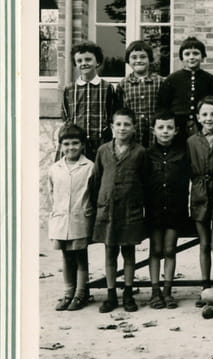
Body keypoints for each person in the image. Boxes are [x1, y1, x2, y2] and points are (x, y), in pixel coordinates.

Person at [92, 108, 146, 313]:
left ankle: (128, 293)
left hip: (130, 210)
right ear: (112, 127)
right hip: (108, 210)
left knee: (128, 252)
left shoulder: (140, 152)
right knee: (110, 252)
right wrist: (98, 205)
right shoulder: (103, 151)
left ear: (134, 128)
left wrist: (140, 206)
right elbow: (96, 180)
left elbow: (145, 181)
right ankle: (111, 294)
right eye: (118, 124)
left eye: (127, 124)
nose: (122, 128)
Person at [144, 109, 190, 309]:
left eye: (169, 127)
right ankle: (155, 291)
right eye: (161, 127)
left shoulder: (182, 153)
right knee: (155, 249)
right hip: (154, 210)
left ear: (176, 130)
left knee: (170, 249)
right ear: (153, 130)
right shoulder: (147, 154)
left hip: (174, 209)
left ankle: (167, 291)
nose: (165, 131)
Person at [187, 96, 213, 306]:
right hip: (199, 193)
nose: (209, 118)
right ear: (198, 117)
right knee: (203, 243)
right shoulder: (191, 141)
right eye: (204, 114)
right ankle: (205, 285)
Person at [48, 124, 94, 311]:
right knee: (66, 256)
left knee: (81, 256)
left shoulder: (89, 167)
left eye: (75, 143)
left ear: (82, 145)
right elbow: (52, 193)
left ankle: (81, 294)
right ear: (60, 146)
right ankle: (68, 293)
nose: (71, 147)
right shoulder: (55, 168)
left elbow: (92, 193)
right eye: (66, 144)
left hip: (80, 217)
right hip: (61, 219)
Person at [61, 41, 117, 160]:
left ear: (97, 62)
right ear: (75, 64)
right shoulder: (69, 89)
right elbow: (66, 117)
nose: (84, 63)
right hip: (77, 144)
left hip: (101, 142)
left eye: (88, 59)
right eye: (79, 61)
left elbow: (112, 115)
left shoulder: (107, 87)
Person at [157, 36, 213, 140]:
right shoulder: (172, 79)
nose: (191, 57)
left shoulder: (210, 79)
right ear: (181, 57)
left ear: (203, 56)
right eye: (187, 54)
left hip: (202, 126)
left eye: (196, 53)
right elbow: (163, 106)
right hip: (177, 127)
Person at [115, 40, 165, 147]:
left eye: (143, 57)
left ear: (150, 59)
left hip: (155, 133)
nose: (138, 60)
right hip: (133, 134)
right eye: (134, 57)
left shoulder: (160, 82)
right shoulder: (123, 84)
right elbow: (120, 111)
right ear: (128, 60)